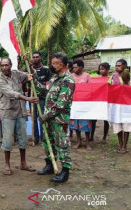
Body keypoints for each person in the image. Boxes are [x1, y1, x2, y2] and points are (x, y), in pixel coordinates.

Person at [33, 52, 75, 183]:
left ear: (61, 65)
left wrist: (46, 115)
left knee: (62, 144)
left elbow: (61, 104)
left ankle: (65, 171)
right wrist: (33, 80)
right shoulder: (54, 78)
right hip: (48, 119)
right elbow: (44, 91)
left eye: (54, 63)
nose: (51, 65)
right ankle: (50, 165)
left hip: (59, 119)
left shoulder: (68, 81)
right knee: (48, 142)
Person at [0, 57, 39, 176]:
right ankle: (7, 164)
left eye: (6, 65)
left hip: (20, 110)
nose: (4, 67)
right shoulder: (0, 79)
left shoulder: (16, 73)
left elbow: (30, 76)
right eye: (2, 65)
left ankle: (23, 163)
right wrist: (28, 99)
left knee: (23, 138)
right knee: (8, 140)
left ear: (11, 65)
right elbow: (11, 93)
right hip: (8, 112)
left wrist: (30, 66)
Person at [109, 59, 131, 154]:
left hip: (126, 105)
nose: (117, 67)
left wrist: (125, 82)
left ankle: (125, 145)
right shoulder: (113, 76)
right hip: (116, 105)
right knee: (117, 124)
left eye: (119, 65)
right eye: (116, 65)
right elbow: (110, 88)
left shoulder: (129, 77)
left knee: (126, 124)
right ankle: (120, 145)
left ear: (125, 66)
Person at [69, 59, 92, 150]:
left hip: (84, 103)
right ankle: (78, 141)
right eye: (73, 67)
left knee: (86, 123)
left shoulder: (87, 76)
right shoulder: (71, 76)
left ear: (81, 67)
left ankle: (87, 143)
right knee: (76, 123)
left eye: (76, 67)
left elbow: (91, 88)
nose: (74, 69)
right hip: (74, 103)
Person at [31, 51, 51, 145]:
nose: (35, 58)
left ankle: (44, 138)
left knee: (42, 117)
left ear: (41, 57)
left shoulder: (46, 70)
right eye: (34, 57)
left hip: (43, 97)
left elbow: (49, 84)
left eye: (37, 57)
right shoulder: (28, 69)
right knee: (33, 118)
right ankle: (35, 138)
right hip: (32, 98)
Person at [91, 62, 110, 143]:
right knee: (93, 120)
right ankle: (91, 136)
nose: (101, 70)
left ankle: (104, 137)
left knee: (106, 120)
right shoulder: (96, 79)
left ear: (107, 70)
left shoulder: (110, 79)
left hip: (106, 101)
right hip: (97, 101)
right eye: (100, 69)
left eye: (102, 69)